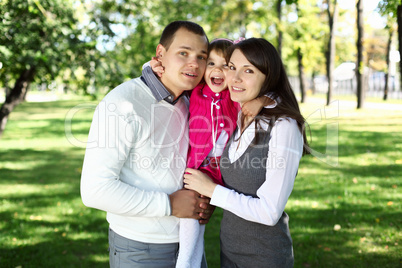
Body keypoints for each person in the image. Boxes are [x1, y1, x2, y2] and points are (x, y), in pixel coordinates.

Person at [80, 21, 214, 268]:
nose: (194, 63)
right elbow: (94, 190)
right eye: (183, 53)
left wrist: (205, 201)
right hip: (140, 249)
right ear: (161, 54)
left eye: (201, 56)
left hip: (190, 244)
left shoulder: (192, 101)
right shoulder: (122, 103)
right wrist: (170, 204)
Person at [183, 37, 310, 267]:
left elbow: (270, 212)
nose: (234, 78)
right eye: (232, 67)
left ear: (268, 75)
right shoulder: (241, 112)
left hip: (264, 257)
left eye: (248, 70)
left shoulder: (284, 127)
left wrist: (212, 190)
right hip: (229, 253)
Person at [150, 38, 276, 268]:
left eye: (225, 65)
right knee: (193, 220)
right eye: (210, 63)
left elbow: (274, 94)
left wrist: (260, 101)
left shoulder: (234, 97)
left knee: (197, 216)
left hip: (222, 171)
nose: (217, 70)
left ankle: (187, 263)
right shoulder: (196, 92)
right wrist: (152, 66)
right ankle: (187, 263)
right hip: (198, 168)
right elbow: (173, 75)